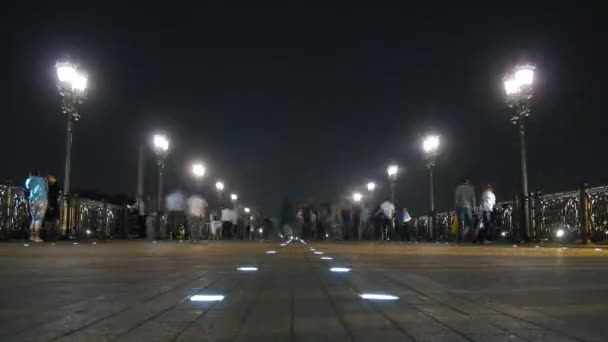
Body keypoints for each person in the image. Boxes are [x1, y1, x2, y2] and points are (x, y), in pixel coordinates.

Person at [25, 171, 48, 242]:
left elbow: (27, 187)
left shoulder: (29, 180)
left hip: (32, 200)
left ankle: (31, 236)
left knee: (33, 218)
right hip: (42, 200)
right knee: (39, 219)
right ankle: (37, 237)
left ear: (31, 175)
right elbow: (46, 189)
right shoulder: (43, 180)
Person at [44, 173, 61, 241]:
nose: (48, 179)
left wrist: (50, 205)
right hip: (52, 205)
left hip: (51, 205)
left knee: (50, 221)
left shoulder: (52, 187)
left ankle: (51, 237)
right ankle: (52, 237)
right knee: (51, 222)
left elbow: (52, 197)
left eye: (49, 178)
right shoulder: (54, 187)